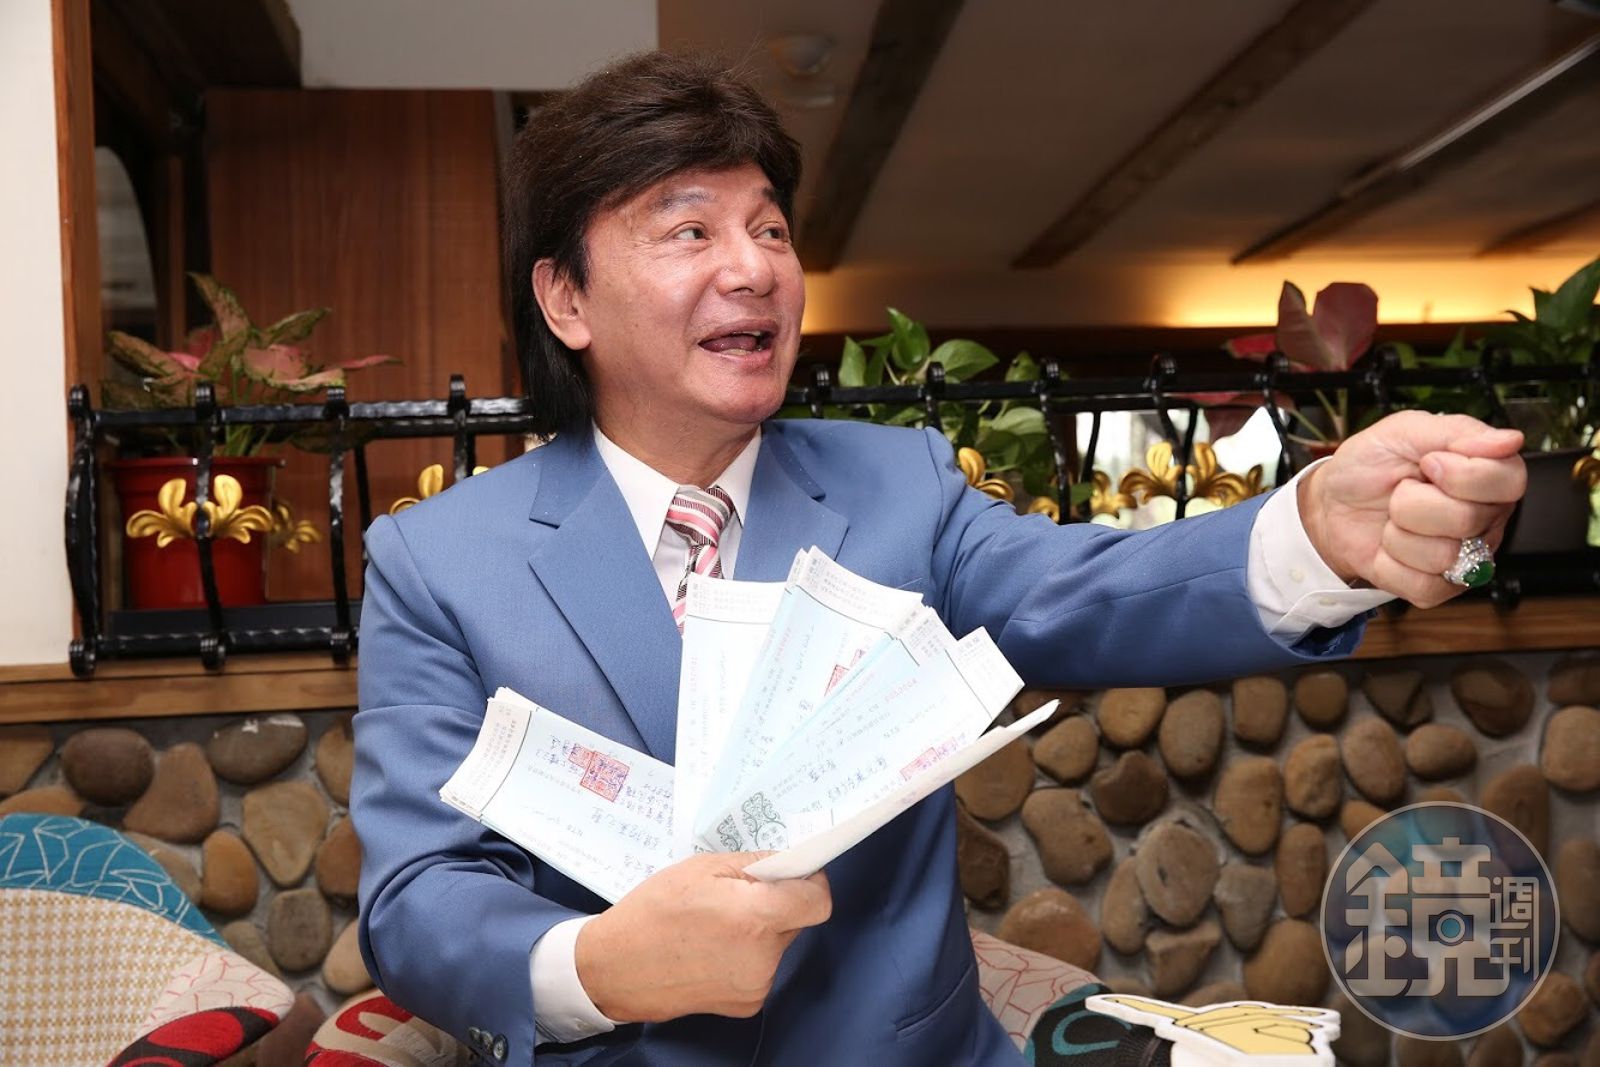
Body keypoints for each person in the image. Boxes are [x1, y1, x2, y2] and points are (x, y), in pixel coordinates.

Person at [351, 51, 1526, 1066]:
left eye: (769, 226)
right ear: (566, 297)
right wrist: (597, 963)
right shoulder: (440, 560)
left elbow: (1088, 589)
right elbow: (416, 899)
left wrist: (1311, 532)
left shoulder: (897, 487)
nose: (752, 267)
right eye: (689, 229)